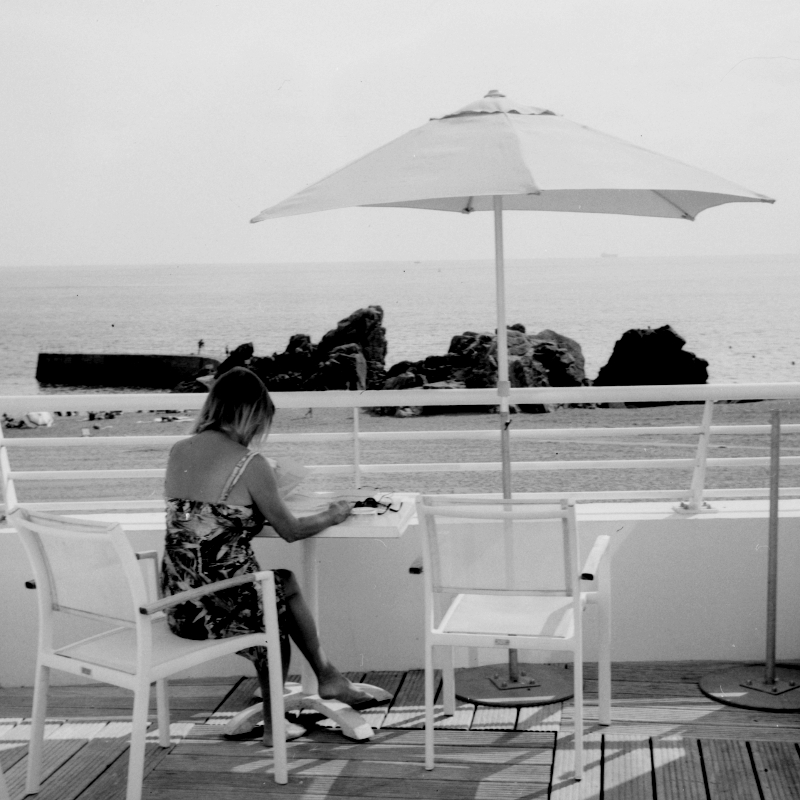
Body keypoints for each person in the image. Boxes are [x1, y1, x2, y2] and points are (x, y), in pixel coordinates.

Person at [161, 366, 371, 746]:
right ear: (251, 413)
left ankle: (328, 676)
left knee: (282, 583)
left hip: (180, 604)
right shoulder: (250, 464)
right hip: (221, 608)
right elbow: (291, 530)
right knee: (275, 605)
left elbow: (204, 521)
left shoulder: (179, 450)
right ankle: (278, 723)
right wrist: (334, 514)